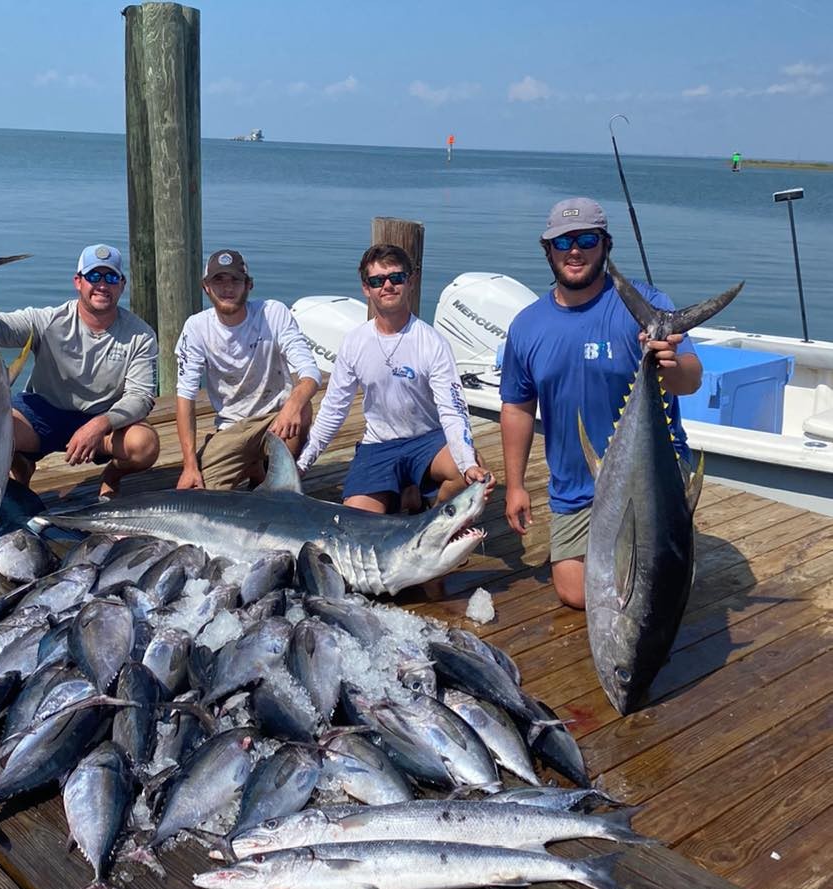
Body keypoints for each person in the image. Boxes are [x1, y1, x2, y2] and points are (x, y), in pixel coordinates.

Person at [499, 197, 702, 609]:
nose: (575, 250)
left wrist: (667, 364)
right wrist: (516, 485)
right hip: (576, 486)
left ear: (605, 245)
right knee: (576, 593)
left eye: (587, 239)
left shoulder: (646, 308)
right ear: (548, 250)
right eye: (563, 242)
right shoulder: (527, 326)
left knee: (653, 589)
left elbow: (691, 380)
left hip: (650, 474)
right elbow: (517, 407)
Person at [297, 243, 494, 513]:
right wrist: (302, 463)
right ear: (367, 289)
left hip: (428, 441)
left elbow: (453, 410)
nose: (387, 285)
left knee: (468, 473)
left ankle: (432, 522)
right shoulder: (354, 343)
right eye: (378, 280)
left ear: (410, 281)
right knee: (357, 521)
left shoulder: (432, 342)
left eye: (396, 277)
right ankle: (408, 493)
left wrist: (467, 464)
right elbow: (333, 411)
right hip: (378, 445)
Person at [0, 244, 159, 499]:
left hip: (103, 419)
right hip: (42, 413)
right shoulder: (49, 320)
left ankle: (112, 475)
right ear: (78, 281)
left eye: (111, 277)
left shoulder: (140, 335)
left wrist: (99, 424)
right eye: (94, 276)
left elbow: (140, 397)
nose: (102, 285)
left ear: (122, 284)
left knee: (144, 445)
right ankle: (22, 467)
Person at [174, 249, 322, 490]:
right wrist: (189, 465)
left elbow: (310, 373)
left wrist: (292, 407)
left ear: (249, 285)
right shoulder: (196, 327)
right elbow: (185, 395)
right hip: (231, 427)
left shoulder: (273, 313)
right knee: (200, 492)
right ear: (206, 287)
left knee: (302, 408)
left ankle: (277, 486)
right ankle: (255, 467)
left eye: (235, 280)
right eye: (218, 280)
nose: (227, 288)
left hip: (274, 420)